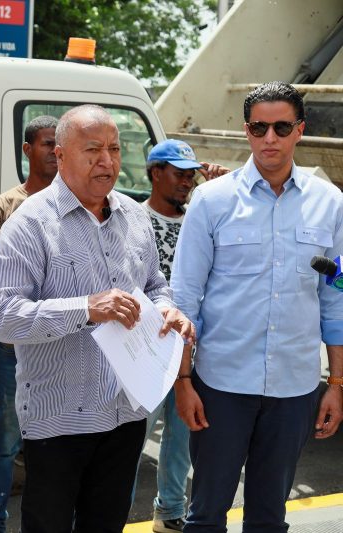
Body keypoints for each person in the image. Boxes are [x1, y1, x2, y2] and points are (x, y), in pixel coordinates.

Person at [0, 104, 194, 533]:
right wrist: (85, 308)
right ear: (59, 155)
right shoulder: (29, 225)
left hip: (125, 414)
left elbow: (155, 283)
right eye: (93, 149)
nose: (107, 161)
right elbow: (1, 317)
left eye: (115, 149)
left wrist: (168, 309)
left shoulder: (134, 217)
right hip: (59, 419)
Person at [171, 81, 343, 532]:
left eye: (281, 126)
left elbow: (335, 300)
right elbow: (185, 301)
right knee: (206, 515)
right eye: (259, 127)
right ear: (246, 131)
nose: (270, 138)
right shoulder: (211, 201)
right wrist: (183, 381)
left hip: (295, 389)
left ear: (299, 130)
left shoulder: (331, 204)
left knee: (269, 517)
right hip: (222, 386)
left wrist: (337, 384)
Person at [0, 115, 58, 533]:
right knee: (6, 442)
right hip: (16, 347)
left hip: (63, 345)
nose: (54, 152)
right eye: (46, 144)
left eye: (59, 145)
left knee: (56, 445)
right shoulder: (3, 208)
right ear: (27, 150)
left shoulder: (75, 204)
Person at [139, 139, 229, 533]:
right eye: (178, 174)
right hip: (145, 350)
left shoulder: (204, 215)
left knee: (181, 438)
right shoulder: (132, 220)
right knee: (130, 443)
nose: (187, 183)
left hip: (191, 351)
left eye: (192, 176)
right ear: (155, 173)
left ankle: (170, 512)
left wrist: (221, 193)